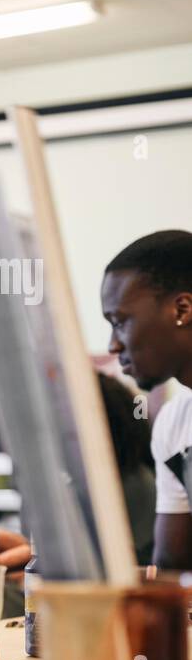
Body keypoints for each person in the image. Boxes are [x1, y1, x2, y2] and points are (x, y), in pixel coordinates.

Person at [100, 229, 192, 569]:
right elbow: (171, 568)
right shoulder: (173, 424)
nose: (113, 345)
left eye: (120, 322)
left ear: (182, 309)